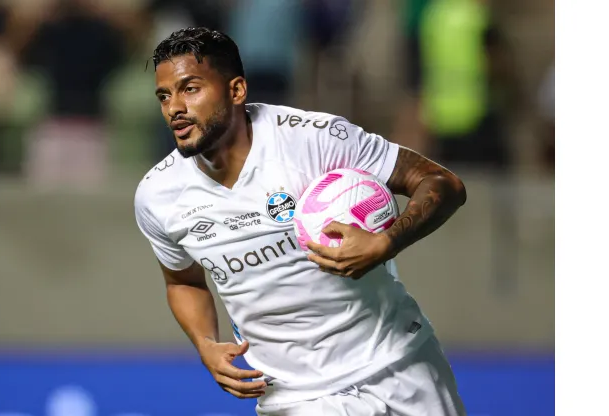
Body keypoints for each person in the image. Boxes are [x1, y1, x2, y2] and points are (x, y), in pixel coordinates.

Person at [134, 27, 468, 416]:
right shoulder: (158, 195)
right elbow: (183, 281)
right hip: (294, 398)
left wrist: (387, 242)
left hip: (400, 364)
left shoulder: (315, 139)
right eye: (164, 95)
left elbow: (442, 183)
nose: (174, 107)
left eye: (190, 89)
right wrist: (206, 344)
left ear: (236, 90)